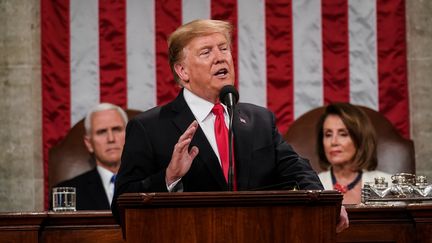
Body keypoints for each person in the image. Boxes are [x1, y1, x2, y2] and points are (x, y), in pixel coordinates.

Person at [112, 19, 348, 232]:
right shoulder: (149, 127)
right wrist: (168, 177)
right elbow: (121, 204)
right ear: (182, 71)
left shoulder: (260, 121)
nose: (220, 57)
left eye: (224, 48)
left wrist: (328, 205)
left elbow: (298, 170)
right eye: (206, 52)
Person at [316, 102, 392, 204]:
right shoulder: (311, 187)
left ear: (360, 139)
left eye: (343, 134)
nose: (333, 142)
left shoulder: (389, 185)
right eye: (328, 134)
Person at [55, 103, 128, 210]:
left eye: (116, 129)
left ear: (129, 135)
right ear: (89, 143)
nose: (111, 138)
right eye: (101, 132)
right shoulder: (68, 194)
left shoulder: (150, 185)